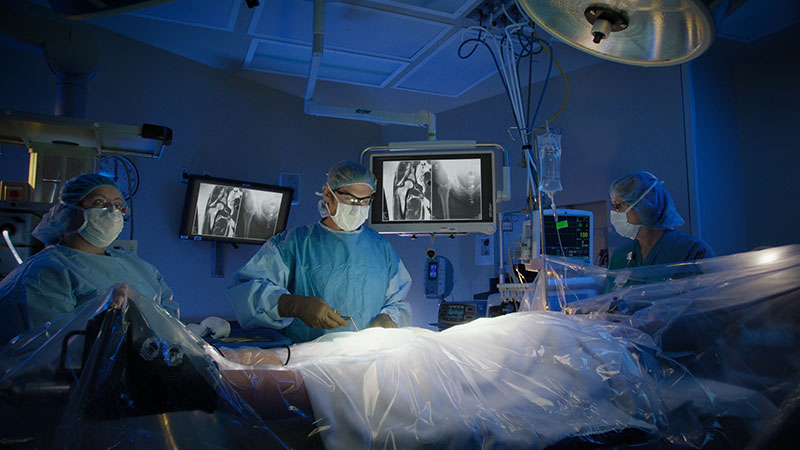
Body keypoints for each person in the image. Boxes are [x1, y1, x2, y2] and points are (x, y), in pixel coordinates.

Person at [226, 160, 412, 344]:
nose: (358, 207)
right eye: (350, 199)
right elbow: (249, 289)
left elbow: (397, 301)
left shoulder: (381, 247)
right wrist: (294, 305)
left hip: (367, 358)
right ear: (327, 194)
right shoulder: (294, 243)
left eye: (365, 201)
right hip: (309, 361)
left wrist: (389, 318)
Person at [0, 174, 174, 344]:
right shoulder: (45, 272)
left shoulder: (136, 265)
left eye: (118, 205)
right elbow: (51, 350)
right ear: (69, 210)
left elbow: (168, 317)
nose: (112, 211)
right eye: (99, 202)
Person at [608, 171, 713, 271]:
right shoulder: (619, 257)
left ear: (644, 206)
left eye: (618, 206)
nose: (613, 212)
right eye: (613, 206)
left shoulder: (692, 251)